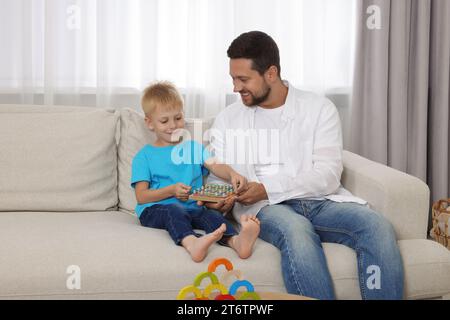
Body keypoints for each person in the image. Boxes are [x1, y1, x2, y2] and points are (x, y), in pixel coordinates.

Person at [200, 31, 404, 299]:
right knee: (297, 231)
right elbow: (217, 173)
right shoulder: (228, 119)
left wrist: (267, 187)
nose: (235, 88)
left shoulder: (319, 109)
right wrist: (221, 199)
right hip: (266, 209)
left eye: (243, 79)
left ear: (271, 73)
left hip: (320, 201)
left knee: (376, 226)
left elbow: (328, 175)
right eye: (233, 78)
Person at [130, 81, 260, 263]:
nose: (173, 125)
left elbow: (215, 165)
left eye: (178, 118)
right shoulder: (144, 156)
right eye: (164, 121)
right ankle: (192, 244)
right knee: (173, 210)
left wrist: (231, 174)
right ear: (149, 123)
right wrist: (171, 191)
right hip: (154, 210)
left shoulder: (193, 148)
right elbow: (142, 197)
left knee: (211, 216)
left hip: (192, 208)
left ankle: (236, 241)